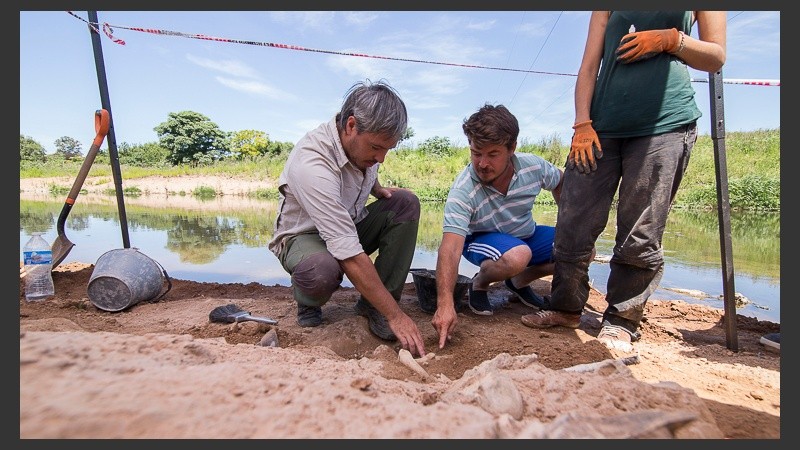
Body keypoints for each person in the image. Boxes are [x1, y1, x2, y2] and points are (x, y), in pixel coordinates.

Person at [520, 11, 726, 355]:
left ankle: (622, 318)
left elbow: (716, 57)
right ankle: (566, 307)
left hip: (664, 126)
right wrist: (582, 123)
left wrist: (673, 41)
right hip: (600, 127)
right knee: (574, 220)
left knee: (640, 229)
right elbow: (589, 66)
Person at [268, 79, 426, 357]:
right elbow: (348, 251)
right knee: (322, 271)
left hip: (347, 226)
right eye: (377, 148)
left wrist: (377, 188)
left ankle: (372, 305)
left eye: (388, 149)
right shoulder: (312, 162)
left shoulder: (362, 150)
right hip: (303, 238)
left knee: (405, 202)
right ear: (351, 125)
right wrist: (397, 316)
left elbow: (361, 176)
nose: (382, 158)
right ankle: (308, 300)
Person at [431, 104, 564, 349]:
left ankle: (519, 281)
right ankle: (480, 283)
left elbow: (561, 181)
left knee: (580, 249)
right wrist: (445, 303)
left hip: (525, 233)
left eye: (492, 154)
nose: (482, 163)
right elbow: (449, 249)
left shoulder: (533, 167)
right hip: (482, 239)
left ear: (511, 148)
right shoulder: (463, 190)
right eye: (476, 153)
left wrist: (565, 220)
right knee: (518, 255)